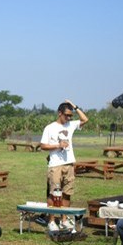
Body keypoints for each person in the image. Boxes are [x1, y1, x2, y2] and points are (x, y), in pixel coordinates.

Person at [40, 99, 89, 231]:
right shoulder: (50, 128)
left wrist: (74, 105)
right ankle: (51, 221)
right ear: (59, 113)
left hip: (69, 164)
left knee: (67, 193)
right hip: (55, 165)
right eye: (66, 115)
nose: (68, 118)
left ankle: (64, 220)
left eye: (70, 116)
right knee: (54, 194)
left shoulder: (70, 125)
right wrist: (58, 145)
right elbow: (43, 145)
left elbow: (85, 119)